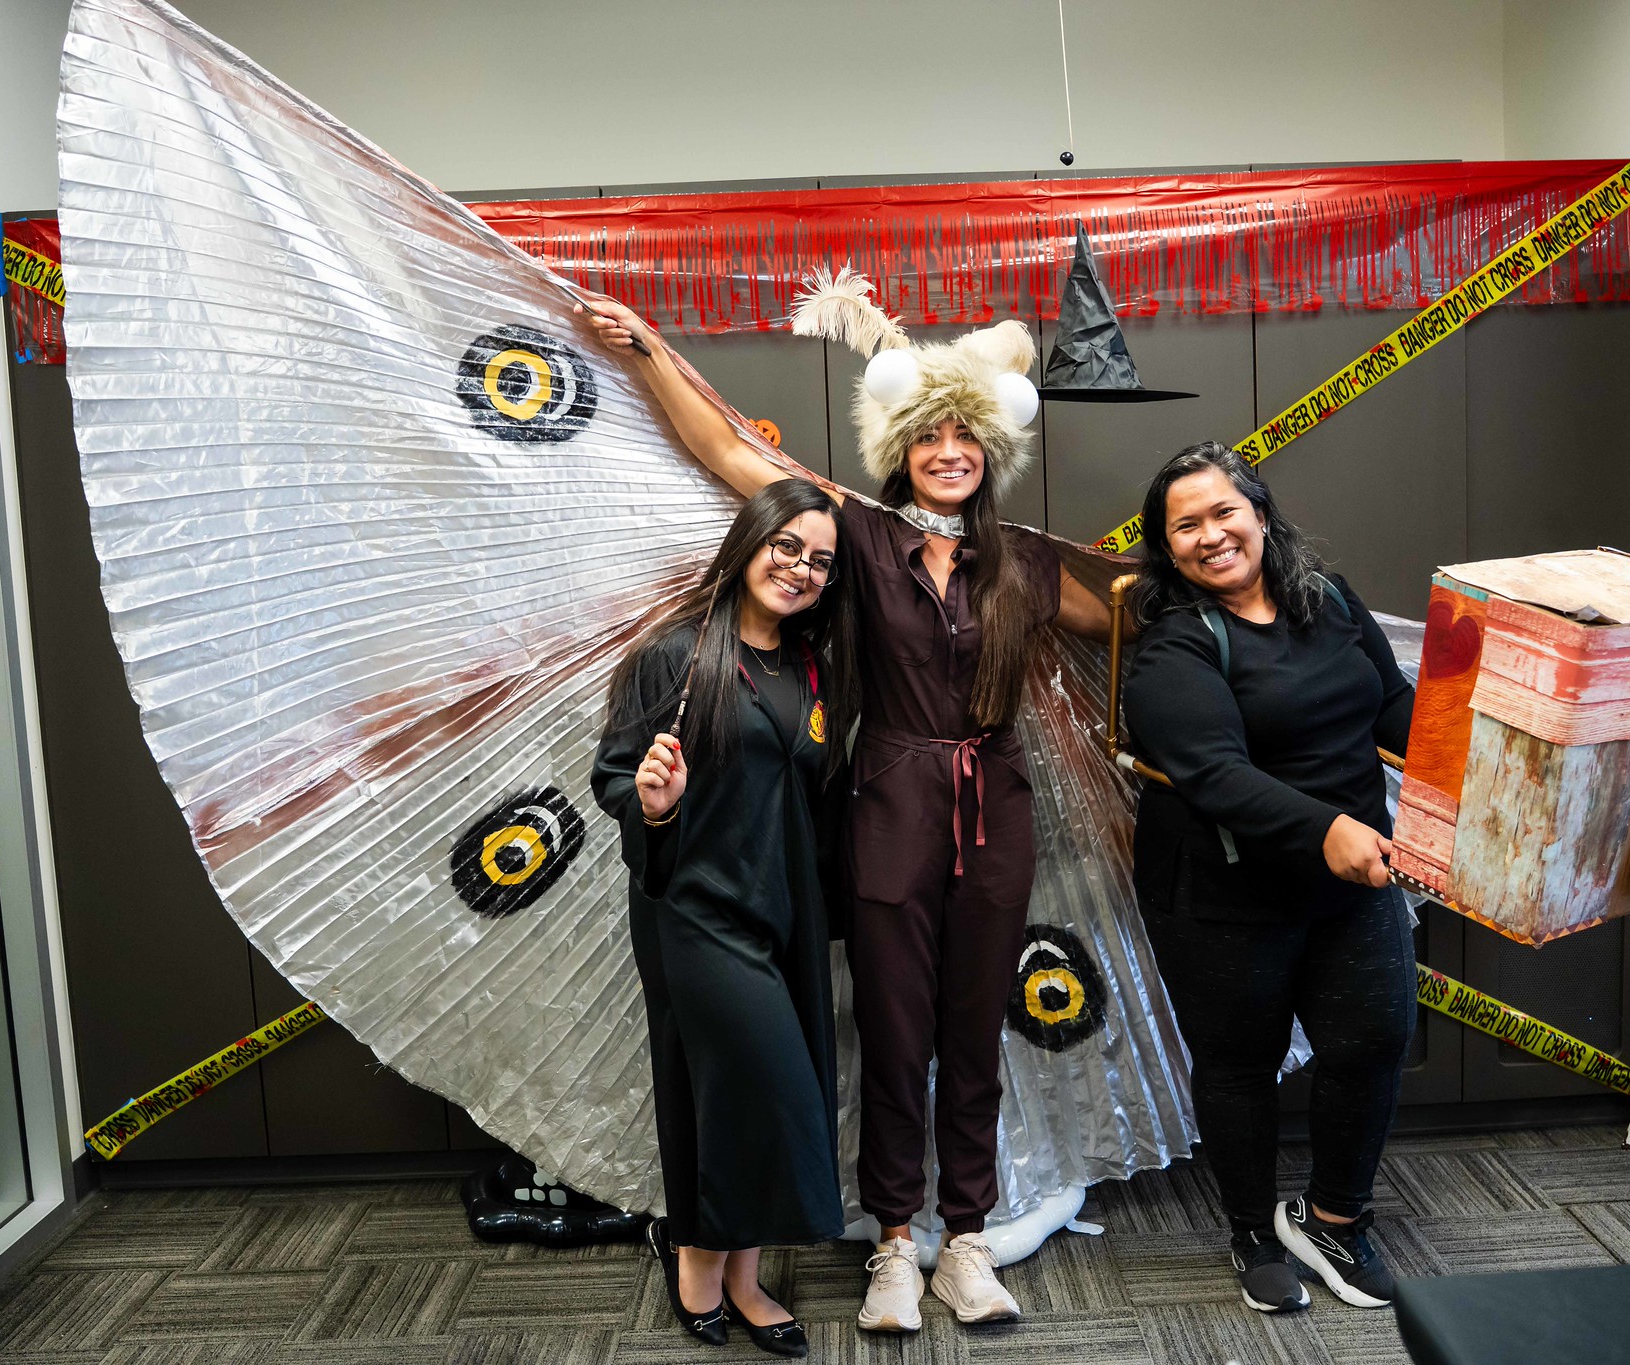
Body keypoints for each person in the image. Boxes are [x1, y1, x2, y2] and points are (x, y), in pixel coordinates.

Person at [581, 278, 1110, 1333]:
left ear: (993, 449)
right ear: (901, 447)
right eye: (931, 435)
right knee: (892, 1031)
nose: (949, 451)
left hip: (995, 809)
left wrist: (1257, 589)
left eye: (967, 435)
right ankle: (895, 1244)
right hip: (888, 806)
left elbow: (1138, 614)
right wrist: (648, 352)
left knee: (974, 1032)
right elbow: (726, 453)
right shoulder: (855, 538)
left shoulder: (1028, 561)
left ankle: (966, 1240)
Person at [1121, 441, 1417, 1314]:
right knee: (1239, 1064)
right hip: (1223, 893)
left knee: (1374, 1038)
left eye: (1224, 511)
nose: (1211, 535)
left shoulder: (1329, 599)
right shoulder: (1173, 646)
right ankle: (1253, 1229)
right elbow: (1216, 775)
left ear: (1259, 513)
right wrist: (1328, 829)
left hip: (1350, 879)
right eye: (1186, 525)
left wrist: (1478, 748)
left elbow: (1391, 705)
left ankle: (1333, 1218)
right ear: (1167, 547)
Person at [593, 478, 859, 1357]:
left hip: (786, 909)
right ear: (750, 542)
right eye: (788, 546)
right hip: (697, 909)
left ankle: (744, 1277)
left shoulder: (812, 667)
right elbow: (614, 774)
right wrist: (654, 803)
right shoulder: (677, 655)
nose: (801, 568)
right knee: (761, 1088)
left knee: (753, 1096)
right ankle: (699, 1260)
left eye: (821, 560)